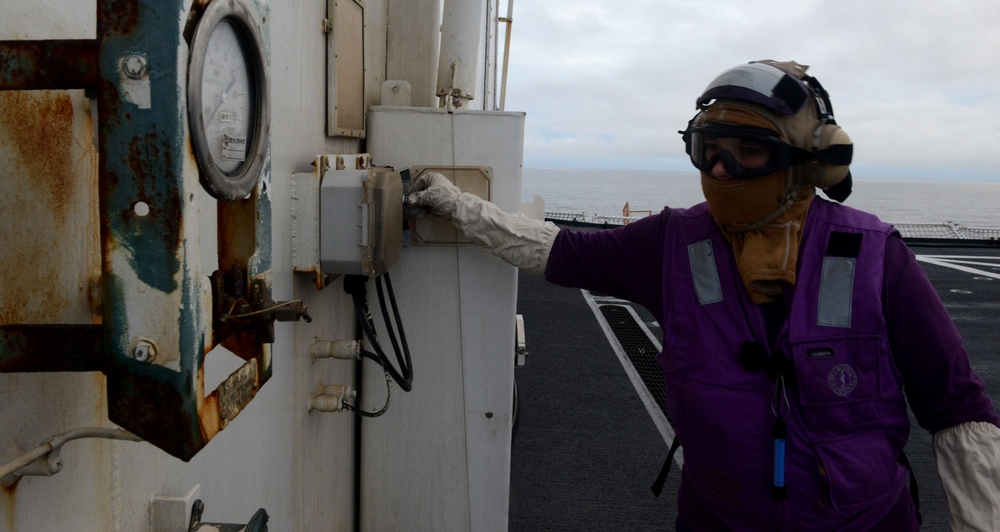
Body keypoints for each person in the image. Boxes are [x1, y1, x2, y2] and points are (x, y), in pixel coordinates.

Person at [408, 60, 1000, 531]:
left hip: (861, 522)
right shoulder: (672, 242)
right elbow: (557, 251)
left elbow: (959, 411)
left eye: (748, 152)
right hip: (718, 518)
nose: (720, 170)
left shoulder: (873, 254)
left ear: (805, 163)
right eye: (708, 148)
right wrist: (461, 207)